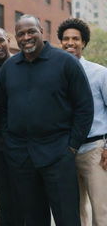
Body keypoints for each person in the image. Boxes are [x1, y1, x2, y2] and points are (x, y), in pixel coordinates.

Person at [0, 14, 94, 226]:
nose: (26, 37)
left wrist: (71, 147)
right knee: (32, 219)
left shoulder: (66, 62)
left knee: (67, 218)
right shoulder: (10, 67)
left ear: (42, 32)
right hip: (21, 158)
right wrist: (10, 144)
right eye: (21, 34)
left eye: (31, 31)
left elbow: (85, 107)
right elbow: (2, 110)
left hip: (58, 155)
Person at [58, 18, 107, 226]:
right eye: (66, 39)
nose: (70, 43)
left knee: (101, 211)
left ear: (84, 42)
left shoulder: (100, 73)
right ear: (61, 42)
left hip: (94, 151)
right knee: (73, 212)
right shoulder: (56, 74)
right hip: (65, 152)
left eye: (75, 39)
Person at [0, 27, 23, 225]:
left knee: (25, 195)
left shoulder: (23, 63)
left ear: (8, 40)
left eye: (0, 40)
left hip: (24, 143)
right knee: (5, 198)